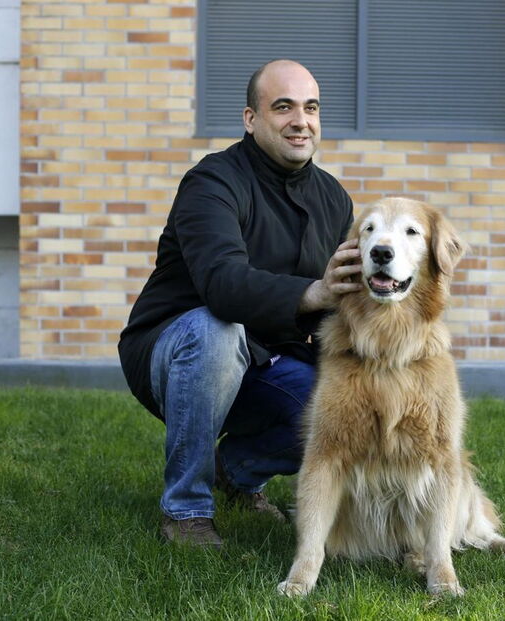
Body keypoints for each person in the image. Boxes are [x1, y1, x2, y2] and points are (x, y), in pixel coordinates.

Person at [118, 59, 362, 548]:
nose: (301, 121)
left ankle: (238, 470)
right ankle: (186, 510)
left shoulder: (334, 198)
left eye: (311, 108)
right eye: (283, 107)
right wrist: (312, 292)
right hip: (178, 349)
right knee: (217, 329)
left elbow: (339, 311)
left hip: (272, 359)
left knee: (350, 408)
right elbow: (223, 286)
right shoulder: (212, 183)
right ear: (251, 119)